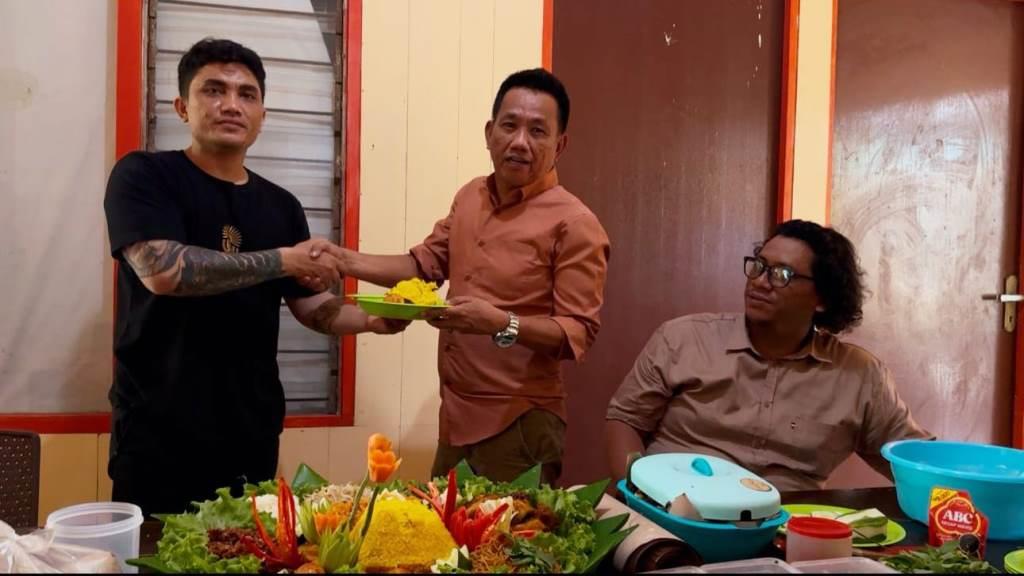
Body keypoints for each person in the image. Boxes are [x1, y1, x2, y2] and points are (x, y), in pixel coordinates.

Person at [103, 38, 406, 515]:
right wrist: (283, 260)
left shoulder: (281, 206)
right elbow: (162, 271)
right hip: (157, 430)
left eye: (247, 94)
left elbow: (313, 308)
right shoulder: (144, 175)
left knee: (249, 549)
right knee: (159, 552)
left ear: (262, 115)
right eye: (213, 90)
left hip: (250, 430)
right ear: (182, 107)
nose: (231, 104)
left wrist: (372, 319)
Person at [317, 68, 610, 485]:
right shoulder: (471, 196)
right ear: (490, 133)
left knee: (508, 531)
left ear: (559, 145)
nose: (520, 142)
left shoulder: (576, 223)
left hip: (519, 422)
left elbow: (577, 332)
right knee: (440, 527)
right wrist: (343, 260)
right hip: (454, 417)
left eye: (537, 131)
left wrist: (500, 323)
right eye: (509, 125)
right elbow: (423, 266)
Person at [605, 219, 932, 491]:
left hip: (786, 527)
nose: (760, 282)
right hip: (674, 511)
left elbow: (916, 463)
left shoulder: (859, 375)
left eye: (782, 275)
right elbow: (625, 419)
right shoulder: (683, 338)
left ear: (822, 298)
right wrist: (640, 490)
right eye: (759, 266)